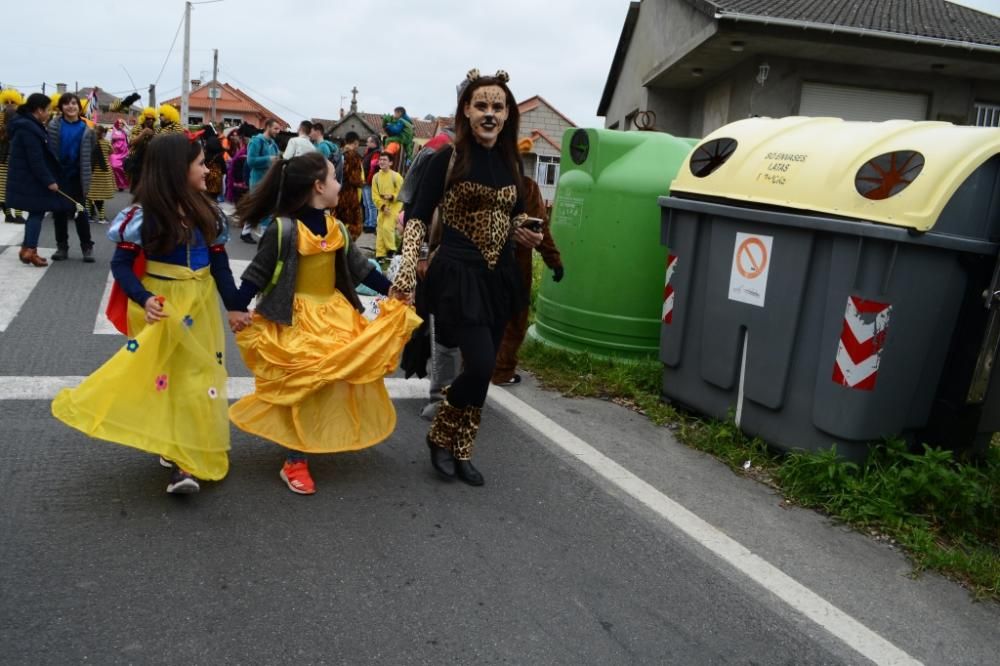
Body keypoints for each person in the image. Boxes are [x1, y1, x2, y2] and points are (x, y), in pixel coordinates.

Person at [51, 133, 245, 494]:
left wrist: (234, 307)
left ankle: (186, 459)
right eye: (201, 163)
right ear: (176, 169)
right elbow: (122, 266)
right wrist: (144, 298)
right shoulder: (141, 217)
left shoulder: (210, 213)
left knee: (197, 379)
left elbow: (220, 266)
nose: (207, 170)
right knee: (165, 380)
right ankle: (175, 451)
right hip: (160, 306)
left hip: (199, 305)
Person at [227, 152, 421, 495]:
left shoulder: (338, 229)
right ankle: (294, 460)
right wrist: (237, 307)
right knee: (302, 385)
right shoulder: (283, 228)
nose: (339, 185)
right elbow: (257, 273)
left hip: (333, 316)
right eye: (334, 178)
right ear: (318, 187)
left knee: (330, 379)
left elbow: (361, 269)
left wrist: (391, 290)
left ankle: (318, 437)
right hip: (295, 319)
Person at [394, 69, 542, 486]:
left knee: (487, 369)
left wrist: (525, 230)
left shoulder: (511, 161)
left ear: (508, 113)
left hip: (500, 278)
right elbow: (418, 220)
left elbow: (512, 218)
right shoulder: (447, 158)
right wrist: (407, 271)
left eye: (498, 106)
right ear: (466, 110)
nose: (490, 114)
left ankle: (463, 449)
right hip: (458, 274)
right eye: (482, 106)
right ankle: (441, 435)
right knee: (476, 366)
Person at [491, 141, 564, 386]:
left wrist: (553, 260)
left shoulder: (487, 185)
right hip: (514, 267)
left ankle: (478, 367)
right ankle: (501, 370)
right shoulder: (527, 187)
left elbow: (540, 230)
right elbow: (541, 228)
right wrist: (554, 261)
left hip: (486, 264)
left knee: (486, 318)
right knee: (514, 321)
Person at [5, 93, 62, 267]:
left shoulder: (26, 124)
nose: (49, 113)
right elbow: (35, 159)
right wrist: (49, 181)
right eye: (48, 110)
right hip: (31, 179)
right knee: (36, 213)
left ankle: (27, 249)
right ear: (38, 110)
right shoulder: (29, 128)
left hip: (25, 178)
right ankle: (30, 250)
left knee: (35, 213)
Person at [47, 93, 97, 262]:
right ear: (61, 107)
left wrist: (88, 172)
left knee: (81, 212)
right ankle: (62, 247)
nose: (70, 106)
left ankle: (87, 247)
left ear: (79, 106)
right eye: (66, 103)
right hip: (59, 176)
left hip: (78, 176)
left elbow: (92, 152)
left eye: (74, 103)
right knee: (59, 213)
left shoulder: (87, 128)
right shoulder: (53, 125)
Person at [242, 117, 281, 241]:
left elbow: (276, 158)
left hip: (268, 180)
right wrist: (269, 159)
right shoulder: (256, 141)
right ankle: (262, 235)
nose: (277, 131)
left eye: (279, 129)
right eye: (275, 128)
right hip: (257, 180)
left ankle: (246, 232)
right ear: (268, 127)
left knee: (262, 207)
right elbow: (250, 161)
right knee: (259, 207)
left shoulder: (273, 144)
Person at [371, 152, 403, 261]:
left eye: (384, 160)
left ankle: (391, 250)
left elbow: (402, 192)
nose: (382, 162)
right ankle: (380, 254)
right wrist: (382, 206)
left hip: (394, 206)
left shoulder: (396, 176)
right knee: (380, 228)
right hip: (382, 207)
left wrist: (392, 196)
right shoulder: (376, 177)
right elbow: (374, 195)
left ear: (391, 163)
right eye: (380, 160)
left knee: (387, 227)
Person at [0, 88, 25, 223]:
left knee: (17, 187)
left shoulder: (21, 119)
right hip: (2, 158)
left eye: (12, 102)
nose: (9, 104)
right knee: (3, 189)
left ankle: (18, 214)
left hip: (16, 157)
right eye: (7, 102)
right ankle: (9, 215)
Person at [334, 131, 364, 241]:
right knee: (353, 223)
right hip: (349, 194)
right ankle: (347, 247)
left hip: (337, 192)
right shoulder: (353, 156)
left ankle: (336, 243)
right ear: (355, 143)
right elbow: (354, 178)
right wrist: (361, 182)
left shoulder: (338, 153)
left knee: (338, 220)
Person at [86, 125, 116, 223]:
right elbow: (112, 151)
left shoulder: (90, 143)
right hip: (103, 173)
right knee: (100, 197)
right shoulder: (106, 143)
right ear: (103, 134)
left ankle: (88, 216)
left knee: (89, 196)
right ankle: (101, 217)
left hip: (92, 172)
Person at [127, 107, 157, 191]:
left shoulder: (156, 129)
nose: (150, 120)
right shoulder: (137, 128)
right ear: (144, 118)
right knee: (136, 189)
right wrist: (143, 133)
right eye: (148, 118)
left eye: (152, 119)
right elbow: (131, 142)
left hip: (151, 162)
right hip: (138, 162)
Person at [109, 118, 130, 191]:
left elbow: (130, 133)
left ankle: (121, 185)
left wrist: (126, 125)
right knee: (114, 166)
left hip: (123, 153)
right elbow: (110, 141)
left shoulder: (125, 131)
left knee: (122, 169)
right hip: (115, 153)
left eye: (122, 123)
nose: (120, 124)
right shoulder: (113, 131)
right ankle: (115, 184)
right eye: (119, 123)